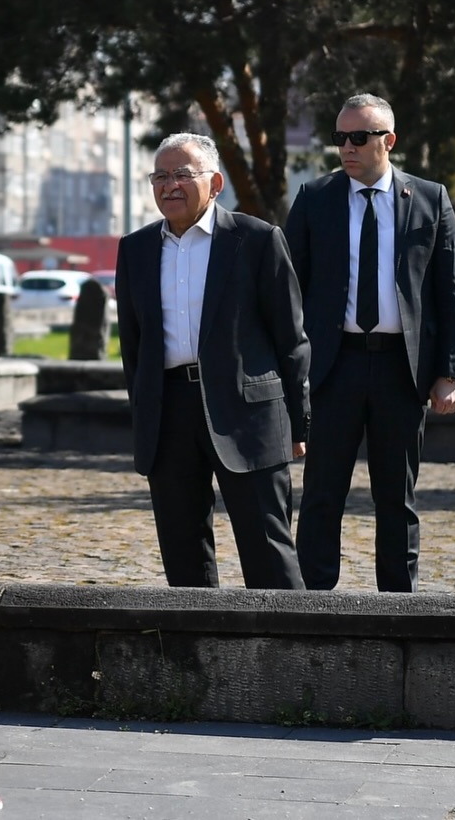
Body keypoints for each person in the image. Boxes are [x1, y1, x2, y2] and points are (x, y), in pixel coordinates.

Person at [283, 93, 455, 593]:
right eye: (340, 138)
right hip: (333, 366)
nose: (347, 147)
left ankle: (399, 604)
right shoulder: (314, 198)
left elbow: (449, 289)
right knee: (322, 493)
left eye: (358, 138)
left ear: (388, 140)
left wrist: (449, 372)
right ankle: (313, 601)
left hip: (401, 370)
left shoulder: (429, 199)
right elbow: (288, 287)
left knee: (396, 497)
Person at [115, 133, 310, 589]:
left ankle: (290, 651)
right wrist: (144, 415)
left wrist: (299, 425)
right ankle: (194, 654)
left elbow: (292, 339)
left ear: (216, 183)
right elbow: (133, 346)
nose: (170, 186)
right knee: (183, 554)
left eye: (183, 174)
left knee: (268, 549)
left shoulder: (257, 240)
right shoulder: (137, 249)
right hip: (169, 412)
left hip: (248, 412)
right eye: (160, 176)